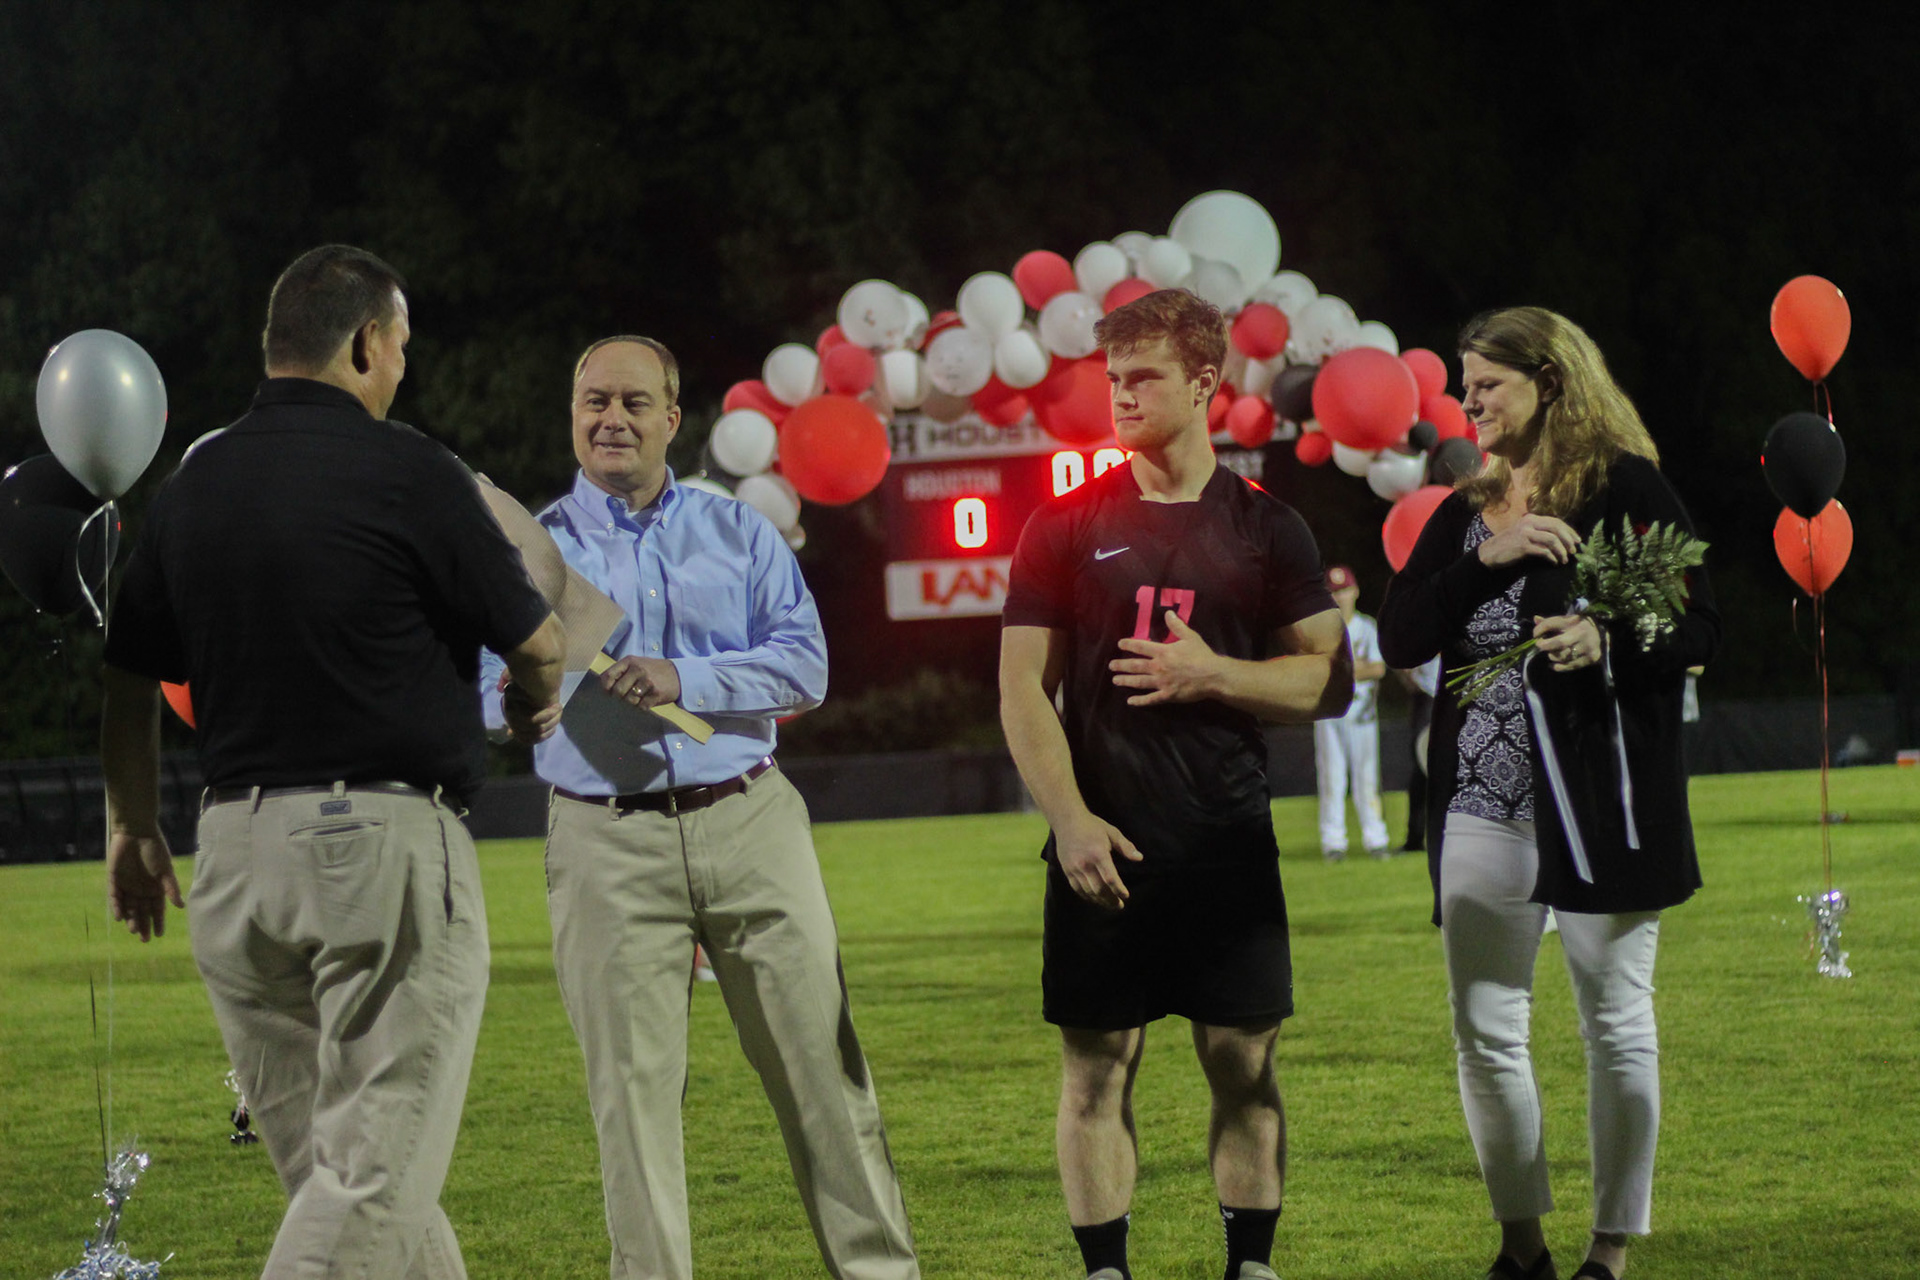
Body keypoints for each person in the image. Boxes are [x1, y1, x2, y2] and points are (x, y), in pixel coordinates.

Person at [101, 244, 566, 1277]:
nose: (400, 365)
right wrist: (533, 705)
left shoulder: (193, 483)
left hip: (233, 861)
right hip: (376, 853)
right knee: (368, 1188)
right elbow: (540, 641)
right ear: (365, 343)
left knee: (350, 1181)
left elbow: (127, 678)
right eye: (399, 345)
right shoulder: (410, 468)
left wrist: (130, 825)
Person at [479, 335, 918, 1280]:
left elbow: (806, 666)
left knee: (827, 1081)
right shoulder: (528, 552)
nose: (612, 419)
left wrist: (687, 676)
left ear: (673, 419)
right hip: (603, 839)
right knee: (631, 1109)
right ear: (572, 415)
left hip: (750, 819)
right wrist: (522, 698)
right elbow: (484, 689)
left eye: (634, 402)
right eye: (595, 401)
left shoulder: (740, 530)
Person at [999, 289, 1352, 1280]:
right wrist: (1070, 821)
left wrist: (1214, 674)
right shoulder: (1063, 525)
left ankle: (1252, 1266)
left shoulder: (1268, 528)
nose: (1121, 395)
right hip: (1102, 848)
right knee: (1094, 1071)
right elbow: (1021, 688)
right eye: (1113, 378)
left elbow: (1329, 681)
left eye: (1144, 377)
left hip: (1227, 846)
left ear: (1205, 382)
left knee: (1243, 1065)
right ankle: (1105, 1271)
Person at [1378, 307, 1719, 1280]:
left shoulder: (1624, 487)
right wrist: (1485, 559)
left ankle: (1609, 1250)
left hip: (1599, 804)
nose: (1469, 402)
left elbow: (1703, 628)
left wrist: (1608, 638)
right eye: (1464, 385)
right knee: (1485, 1031)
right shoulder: (1465, 507)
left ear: (1551, 380)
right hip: (1480, 803)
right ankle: (1521, 1246)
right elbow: (1401, 635)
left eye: (1487, 383)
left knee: (1615, 1022)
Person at [1313, 564, 1391, 860]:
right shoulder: (1322, 631)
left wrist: (1342, 671)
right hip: (1329, 713)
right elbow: (1315, 671)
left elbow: (1378, 668)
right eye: (1334, 592)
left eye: (1344, 590)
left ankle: (1376, 839)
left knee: (1366, 777)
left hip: (1362, 714)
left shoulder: (1366, 627)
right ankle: (1333, 842)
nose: (1340, 597)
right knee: (1331, 778)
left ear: (1355, 591)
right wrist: (1353, 670)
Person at [1396, 655, 1442, 851]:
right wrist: (1407, 675)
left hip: (1451, 691)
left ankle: (1445, 833)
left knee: (1446, 767)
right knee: (1421, 765)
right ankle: (1415, 836)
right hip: (1427, 694)